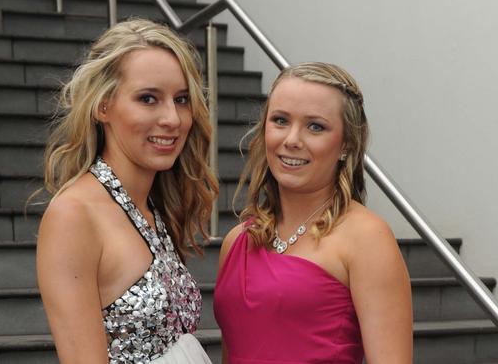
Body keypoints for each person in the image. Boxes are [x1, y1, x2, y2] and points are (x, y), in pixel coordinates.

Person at [36, 18, 218, 364]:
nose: (173, 119)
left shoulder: (151, 203)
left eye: (181, 99)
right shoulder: (73, 215)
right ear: (103, 106)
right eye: (148, 98)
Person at [213, 62, 413, 363]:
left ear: (346, 143)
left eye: (315, 126)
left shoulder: (366, 237)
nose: (292, 139)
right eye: (280, 120)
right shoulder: (237, 240)